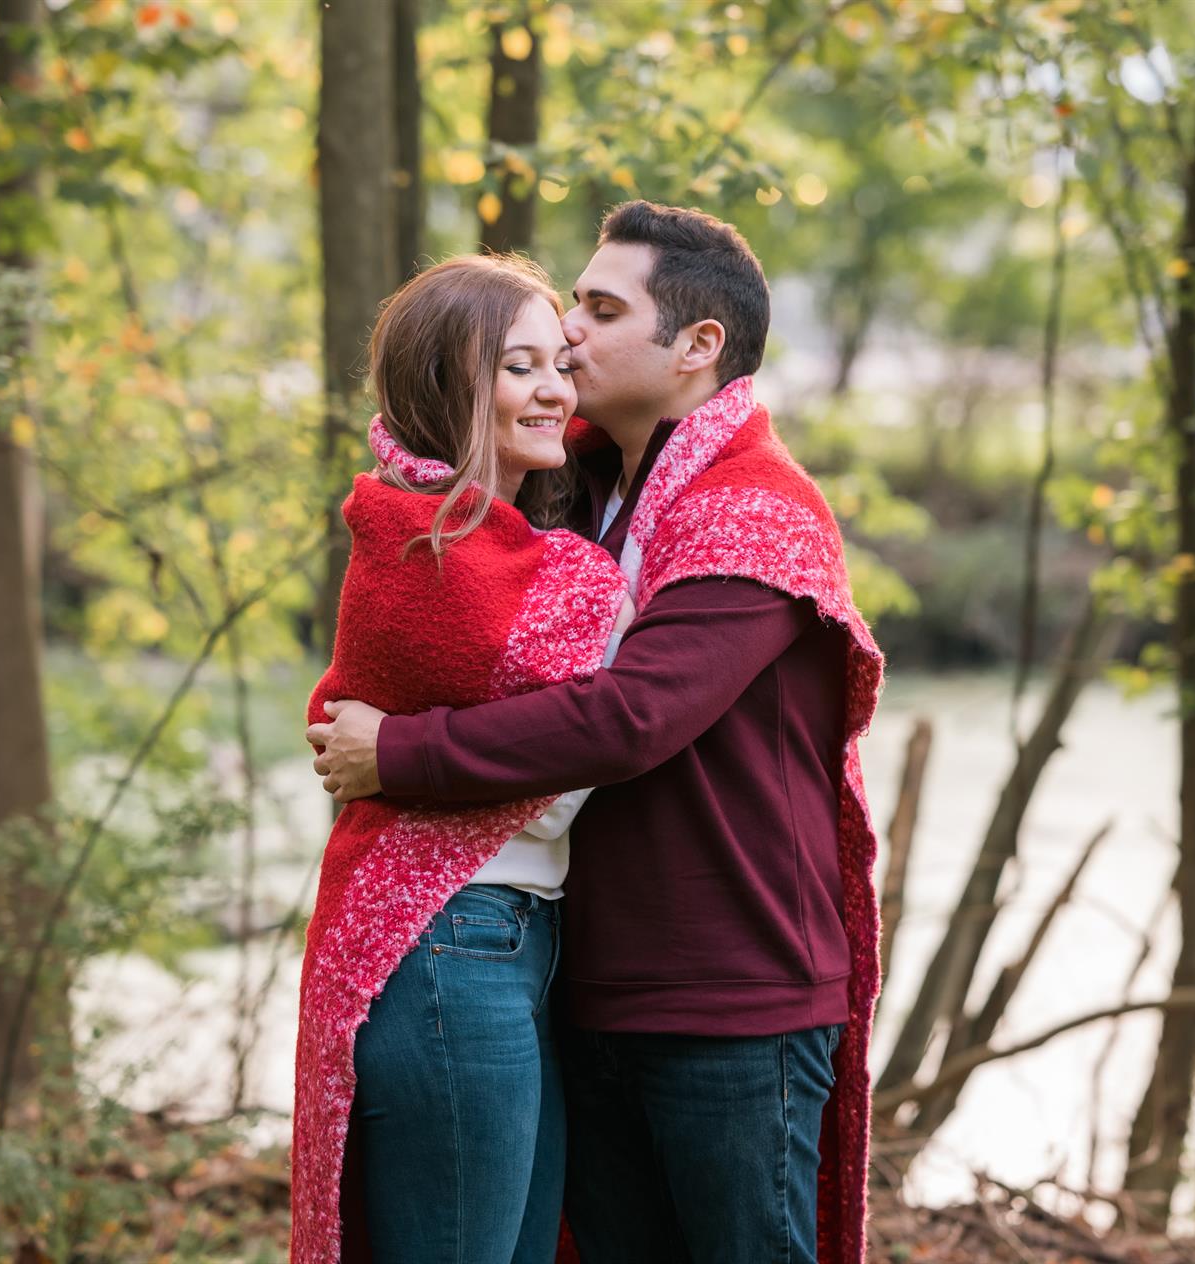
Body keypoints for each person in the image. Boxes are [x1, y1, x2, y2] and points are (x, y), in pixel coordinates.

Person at [308, 202, 886, 1264]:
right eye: (572, 302)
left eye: (602, 310)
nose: (570, 331)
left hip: (732, 993)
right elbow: (439, 534)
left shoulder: (754, 509)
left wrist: (398, 752)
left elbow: (632, 716)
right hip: (578, 976)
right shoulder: (573, 488)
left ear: (697, 346)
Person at [289, 253, 633, 1264]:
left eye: (560, 364)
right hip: (448, 942)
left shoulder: (506, 542)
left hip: (515, 941)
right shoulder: (424, 548)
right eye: (519, 367)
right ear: (449, 382)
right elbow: (568, 767)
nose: (556, 390)